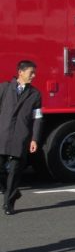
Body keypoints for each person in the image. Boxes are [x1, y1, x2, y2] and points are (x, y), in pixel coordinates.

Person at [0, 60, 42, 215]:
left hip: (21, 137)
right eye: (31, 72)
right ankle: (11, 191)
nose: (34, 76)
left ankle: (8, 204)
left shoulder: (35, 94)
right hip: (2, 134)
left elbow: (38, 118)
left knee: (15, 171)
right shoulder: (4, 88)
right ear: (20, 72)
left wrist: (34, 139)